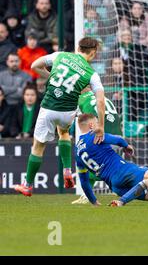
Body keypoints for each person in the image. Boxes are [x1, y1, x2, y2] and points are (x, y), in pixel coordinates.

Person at [14, 37, 106, 197]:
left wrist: (52, 77)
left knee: (38, 146)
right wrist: (101, 127)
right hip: (67, 112)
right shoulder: (92, 74)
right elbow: (100, 100)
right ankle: (67, 170)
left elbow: (34, 65)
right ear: (93, 53)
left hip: (49, 108)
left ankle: (27, 185)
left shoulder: (60, 56)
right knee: (63, 132)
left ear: (78, 48)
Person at [72, 89, 123, 204]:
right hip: (116, 134)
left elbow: (82, 121)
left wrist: (71, 132)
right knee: (110, 168)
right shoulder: (103, 97)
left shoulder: (81, 99)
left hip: (101, 136)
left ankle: (87, 196)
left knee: (93, 167)